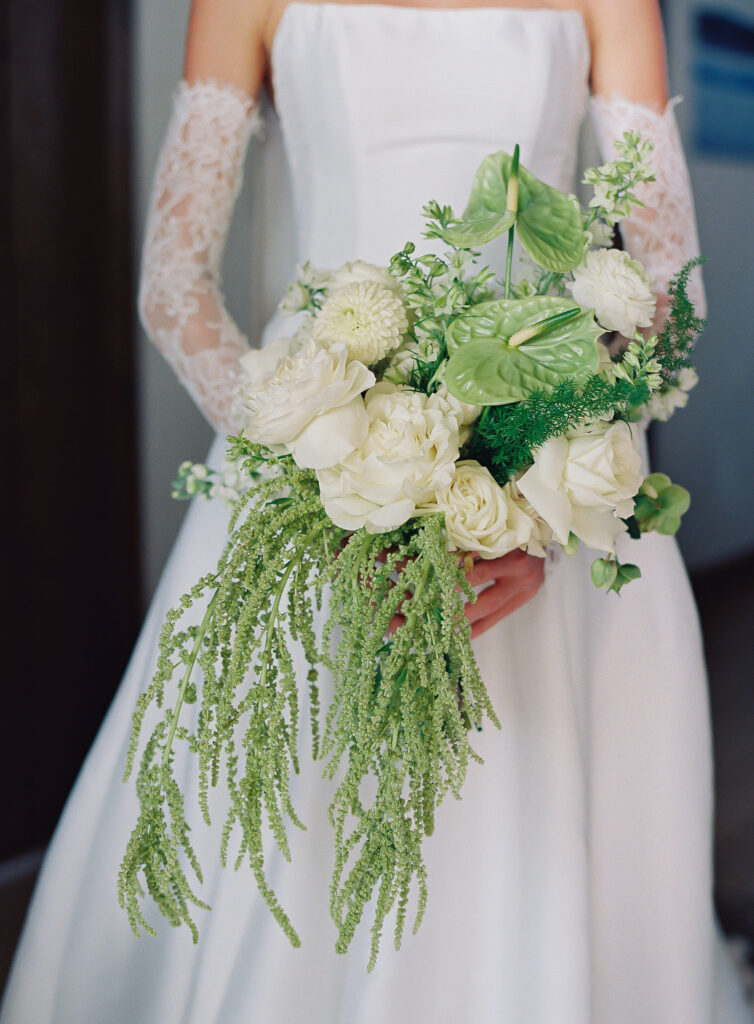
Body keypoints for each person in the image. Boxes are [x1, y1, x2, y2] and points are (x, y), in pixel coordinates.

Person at [2, 1, 752, 1021]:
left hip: (547, 466)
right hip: (310, 463)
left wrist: (528, 499)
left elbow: (666, 283)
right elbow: (174, 286)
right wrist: (325, 466)